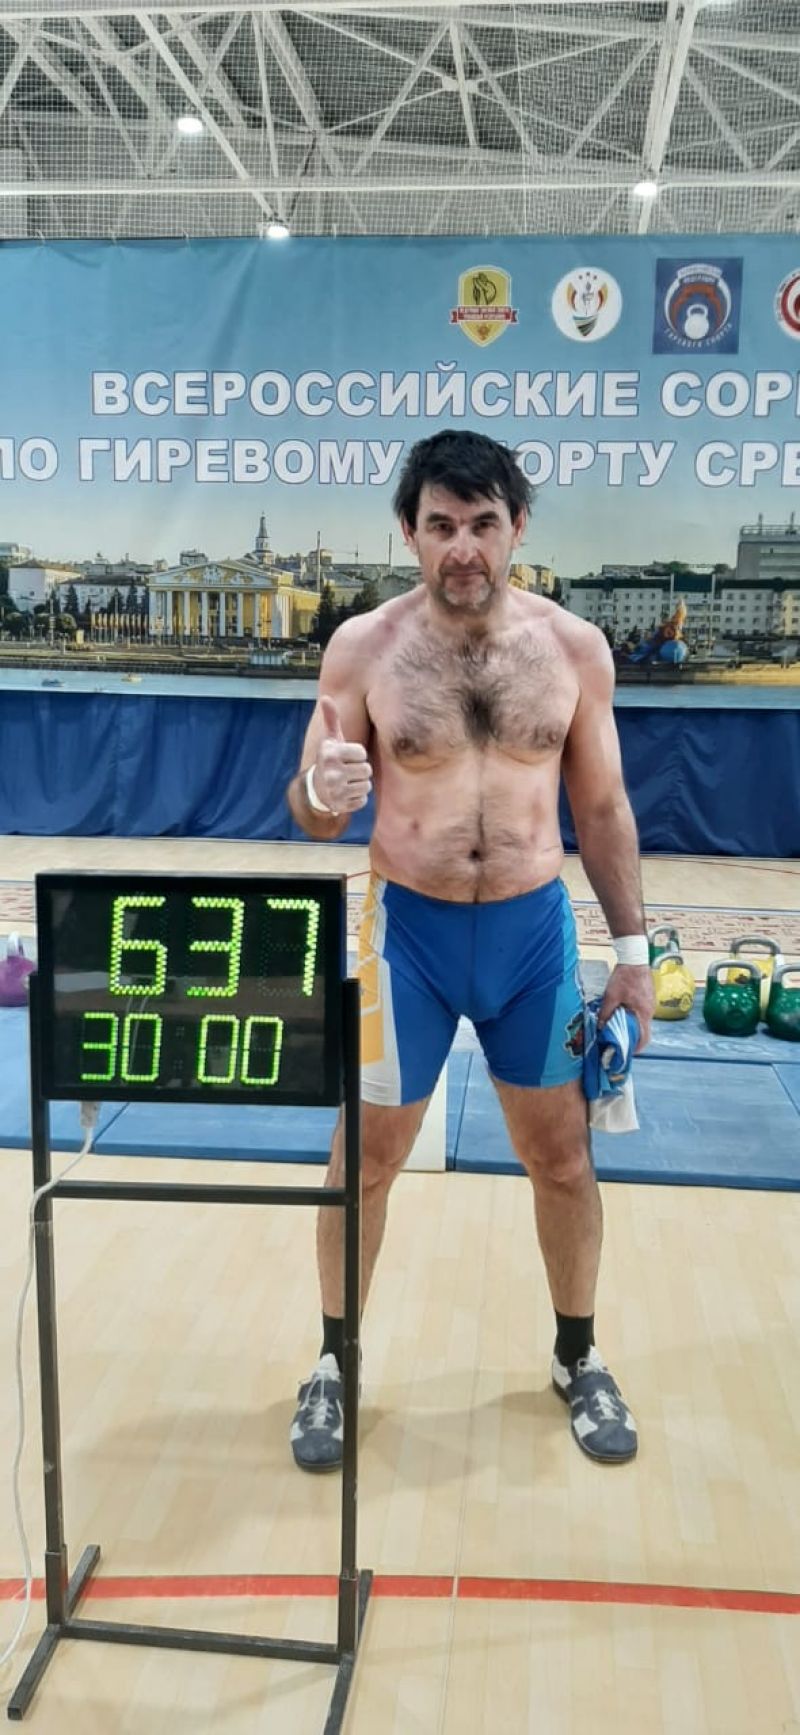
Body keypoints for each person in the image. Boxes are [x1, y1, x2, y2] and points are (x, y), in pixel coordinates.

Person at [286, 429, 654, 1473]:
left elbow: (602, 807)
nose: (463, 547)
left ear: (517, 527)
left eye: (483, 523)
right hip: (407, 937)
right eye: (440, 524)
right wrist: (320, 792)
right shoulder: (363, 649)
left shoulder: (573, 650)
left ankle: (576, 1355)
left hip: (531, 942)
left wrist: (632, 952)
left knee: (561, 1156)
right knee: (364, 1160)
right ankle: (334, 1362)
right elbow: (312, 809)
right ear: (407, 531)